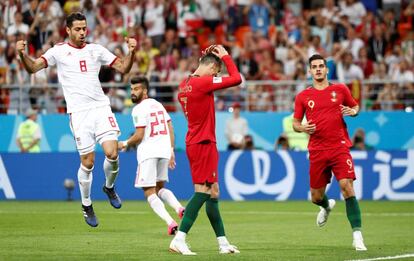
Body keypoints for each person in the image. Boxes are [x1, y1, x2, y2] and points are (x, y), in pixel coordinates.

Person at [16, 12, 137, 227]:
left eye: (84, 28)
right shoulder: (59, 52)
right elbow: (33, 67)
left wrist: (132, 52)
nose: (83, 32)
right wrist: (22, 54)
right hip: (79, 113)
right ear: (68, 30)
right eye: (78, 29)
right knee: (88, 163)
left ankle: (109, 187)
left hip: (101, 108)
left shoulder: (95, 50)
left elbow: (124, 68)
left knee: (112, 152)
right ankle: (86, 205)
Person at [169, 45, 241, 255]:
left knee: (213, 192)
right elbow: (236, 78)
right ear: (210, 66)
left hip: (195, 140)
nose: (217, 75)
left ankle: (223, 243)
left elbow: (203, 72)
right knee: (203, 192)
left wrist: (209, 60)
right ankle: (180, 239)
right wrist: (226, 57)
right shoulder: (203, 82)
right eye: (216, 70)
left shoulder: (184, 84)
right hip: (203, 143)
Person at [292, 54, 367, 251]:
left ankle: (357, 236)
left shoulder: (340, 89)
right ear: (309, 71)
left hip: (339, 146)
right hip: (317, 149)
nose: (317, 69)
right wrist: (302, 128)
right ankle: (326, 206)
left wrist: (354, 111)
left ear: (326, 70)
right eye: (314, 67)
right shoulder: (303, 96)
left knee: (346, 186)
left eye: (321, 66)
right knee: (316, 197)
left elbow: (355, 105)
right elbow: (295, 123)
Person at [118, 76, 185, 235]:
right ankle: (179, 208)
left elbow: (139, 135)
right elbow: (170, 127)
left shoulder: (138, 109)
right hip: (163, 151)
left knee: (149, 191)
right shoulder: (159, 105)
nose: (133, 92)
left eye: (137, 89)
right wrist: (171, 150)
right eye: (132, 89)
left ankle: (170, 222)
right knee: (160, 187)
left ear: (145, 91)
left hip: (148, 152)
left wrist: (125, 143)